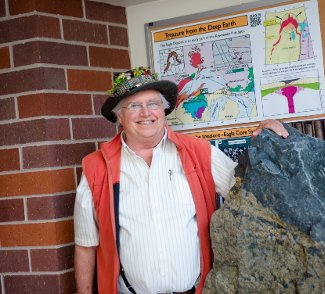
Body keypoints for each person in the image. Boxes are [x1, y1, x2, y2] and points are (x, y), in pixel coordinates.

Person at [73, 66, 288, 294]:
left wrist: (270, 142)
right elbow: (86, 245)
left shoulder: (199, 152)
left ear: (164, 110)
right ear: (120, 115)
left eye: (153, 104)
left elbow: (247, 192)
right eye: (134, 106)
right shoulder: (97, 167)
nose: (146, 113)